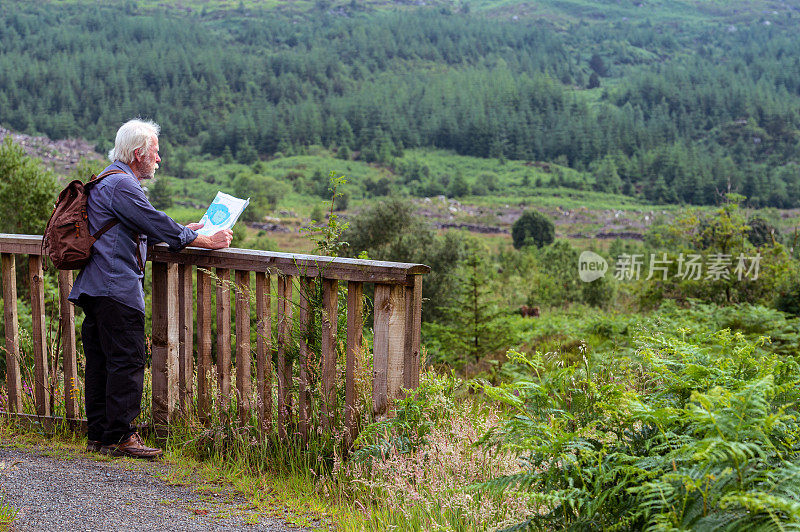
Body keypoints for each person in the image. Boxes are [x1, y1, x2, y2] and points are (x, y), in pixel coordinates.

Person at [68, 119, 233, 459]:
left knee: (103, 363)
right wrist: (206, 240)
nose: (159, 160)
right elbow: (155, 221)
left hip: (96, 287)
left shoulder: (108, 180)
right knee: (127, 361)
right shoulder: (122, 186)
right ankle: (121, 437)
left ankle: (100, 436)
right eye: (155, 153)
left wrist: (182, 231)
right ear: (138, 153)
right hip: (116, 289)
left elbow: (142, 225)